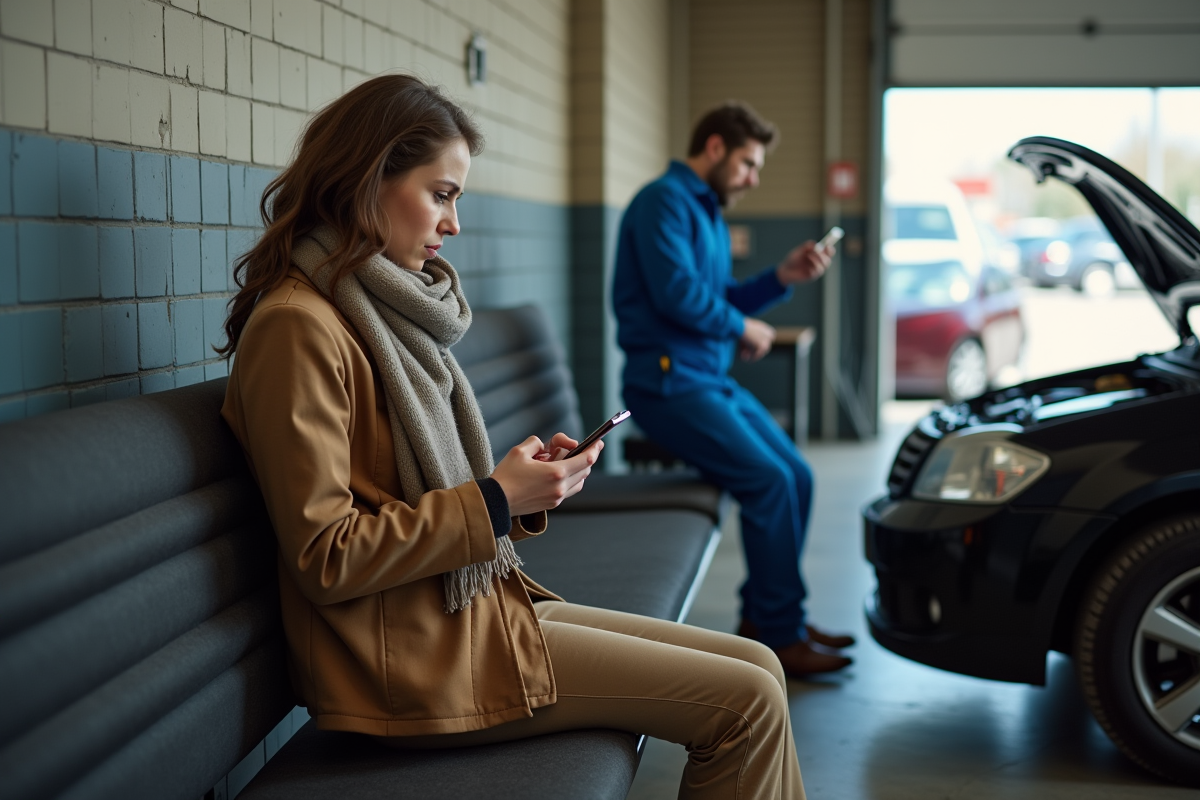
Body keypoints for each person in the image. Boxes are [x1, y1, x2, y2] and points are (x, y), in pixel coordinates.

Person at [218, 75, 806, 799]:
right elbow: (325, 556)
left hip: (464, 611)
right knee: (746, 703)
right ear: (368, 180)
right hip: (409, 659)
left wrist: (514, 486)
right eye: (442, 194)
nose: (453, 223)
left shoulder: (378, 308)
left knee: (762, 667)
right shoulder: (296, 326)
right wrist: (494, 500)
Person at [613, 101, 854, 677]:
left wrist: (782, 278)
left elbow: (716, 298)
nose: (752, 178)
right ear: (715, 147)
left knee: (796, 474)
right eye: (748, 163)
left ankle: (769, 619)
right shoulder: (663, 203)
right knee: (768, 481)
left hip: (706, 378)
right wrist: (739, 327)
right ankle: (780, 631)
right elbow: (677, 297)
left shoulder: (707, 212)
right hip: (667, 384)